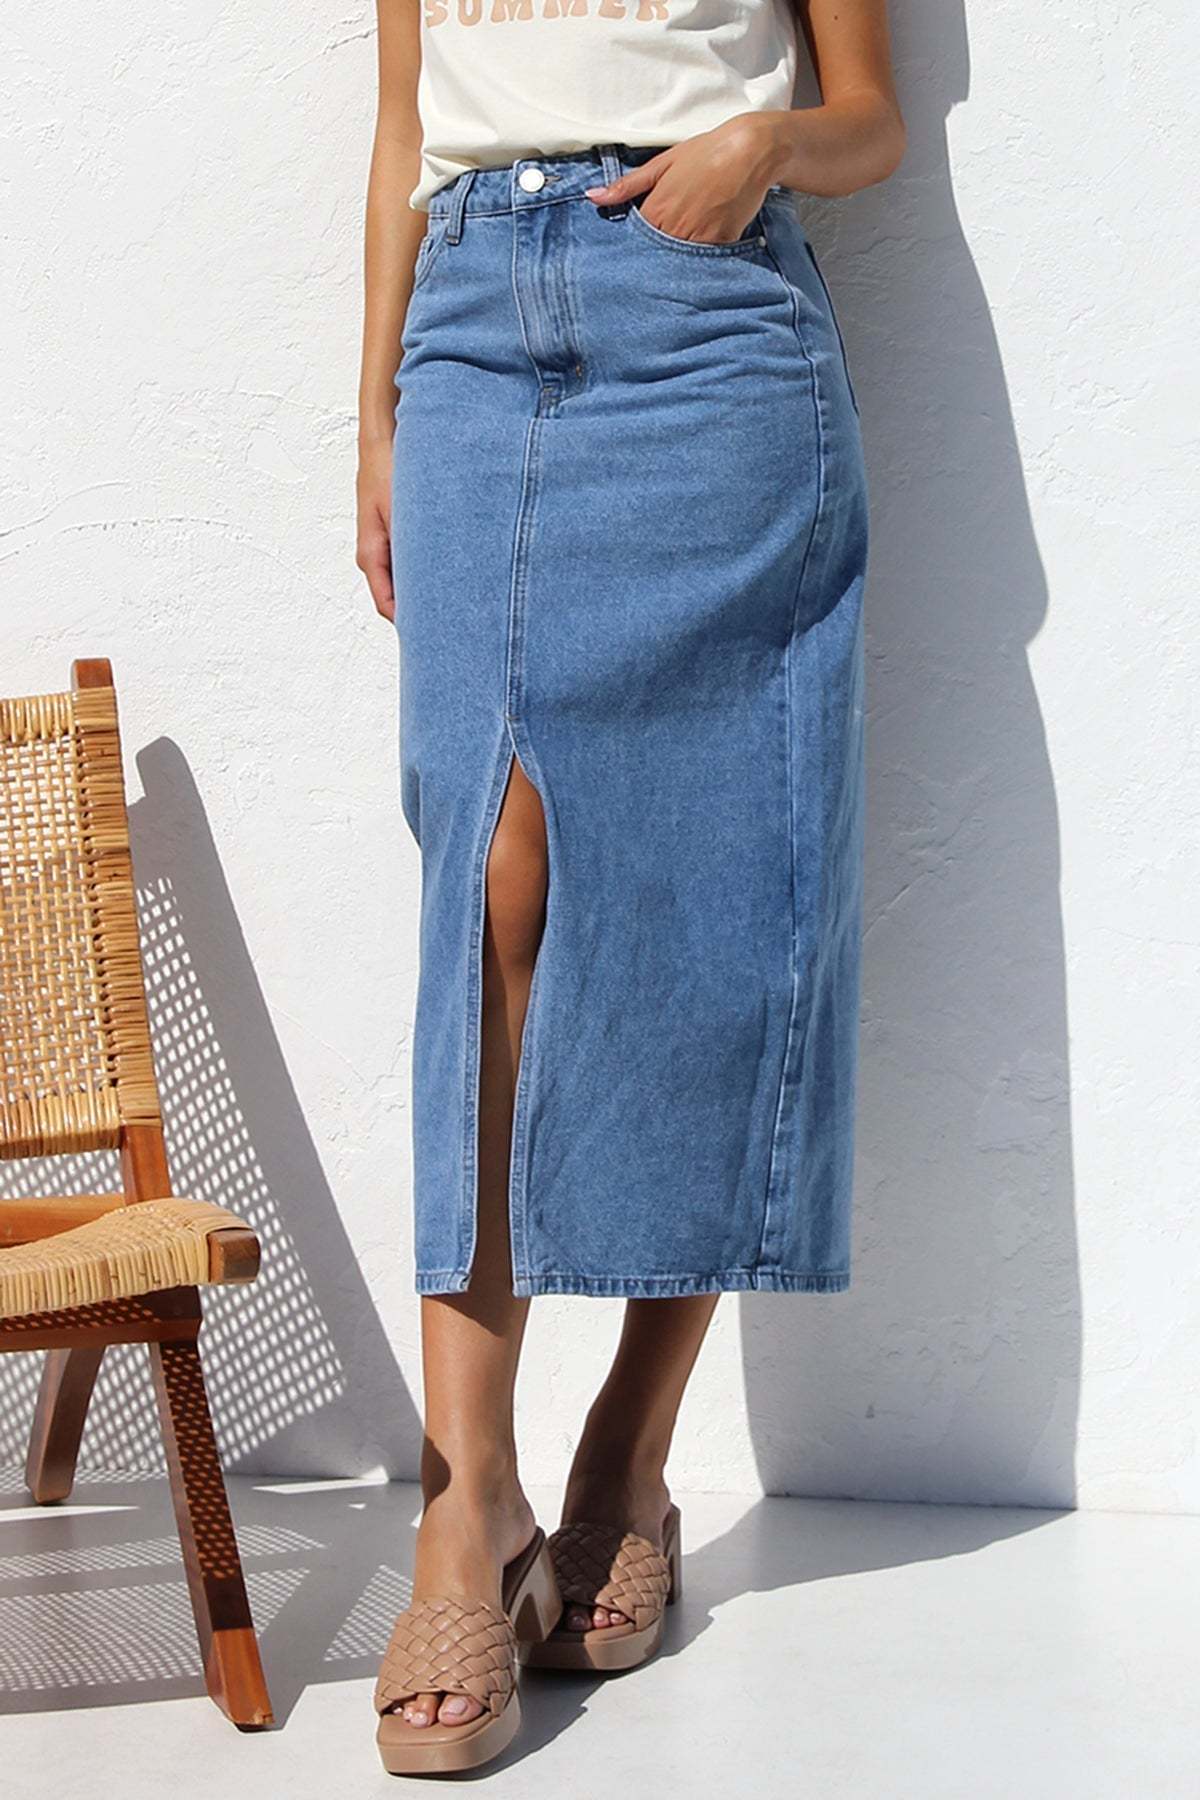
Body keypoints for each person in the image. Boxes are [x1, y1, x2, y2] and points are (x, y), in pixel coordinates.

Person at [356, 0, 904, 1772]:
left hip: (712, 332)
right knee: (487, 877)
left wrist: (764, 145)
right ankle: (467, 1505)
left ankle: (627, 1454)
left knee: (718, 878)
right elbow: (402, 126)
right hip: (467, 322)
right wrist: (373, 419)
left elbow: (871, 116)